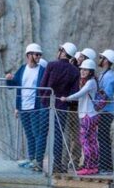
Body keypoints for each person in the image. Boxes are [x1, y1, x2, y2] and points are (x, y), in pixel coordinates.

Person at [40, 42, 81, 173]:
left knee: (43, 133)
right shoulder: (74, 71)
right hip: (62, 106)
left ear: (63, 52)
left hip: (47, 103)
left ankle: (38, 162)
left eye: (59, 49)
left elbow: (43, 85)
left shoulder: (51, 65)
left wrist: (44, 98)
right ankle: (57, 164)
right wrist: (66, 102)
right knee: (58, 135)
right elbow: (74, 92)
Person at [6, 44, 47, 171]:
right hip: (23, 107)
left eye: (40, 54)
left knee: (37, 133)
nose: (39, 57)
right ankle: (31, 159)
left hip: (36, 107)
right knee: (29, 134)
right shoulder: (22, 69)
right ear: (29, 55)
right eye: (36, 54)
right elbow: (12, 85)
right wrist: (9, 79)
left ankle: (38, 161)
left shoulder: (42, 70)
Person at [60, 59, 99, 176]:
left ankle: (88, 166)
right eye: (82, 69)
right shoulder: (92, 81)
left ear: (91, 71)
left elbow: (80, 93)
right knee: (92, 141)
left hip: (86, 115)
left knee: (85, 142)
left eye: (85, 70)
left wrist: (67, 98)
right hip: (91, 114)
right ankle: (93, 166)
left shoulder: (90, 82)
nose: (82, 71)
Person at [97, 49, 114, 173]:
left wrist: (97, 91)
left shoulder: (109, 76)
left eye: (102, 57)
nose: (100, 59)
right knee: (102, 137)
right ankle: (105, 164)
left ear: (106, 61)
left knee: (103, 137)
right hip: (103, 110)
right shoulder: (103, 74)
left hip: (107, 111)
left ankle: (105, 165)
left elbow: (108, 95)